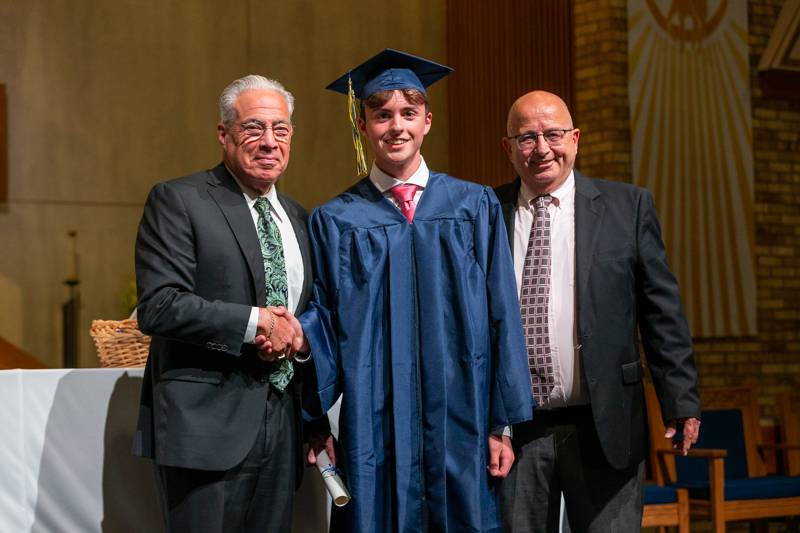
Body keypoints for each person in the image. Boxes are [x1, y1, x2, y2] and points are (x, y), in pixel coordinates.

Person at [296, 49, 534, 533]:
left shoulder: (473, 206)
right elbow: (322, 322)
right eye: (381, 115)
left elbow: (502, 314)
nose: (396, 126)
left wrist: (500, 424)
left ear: (428, 120)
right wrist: (314, 420)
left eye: (408, 113)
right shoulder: (336, 221)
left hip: (462, 421)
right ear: (362, 126)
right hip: (373, 424)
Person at [495, 90, 702, 532]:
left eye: (553, 134)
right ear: (508, 147)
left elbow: (661, 314)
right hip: (517, 432)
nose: (542, 149)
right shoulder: (486, 215)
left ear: (575, 138)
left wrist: (680, 400)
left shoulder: (627, 208)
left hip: (605, 422)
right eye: (527, 138)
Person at [132, 74, 317, 532]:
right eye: (254, 128)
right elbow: (159, 305)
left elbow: (307, 311)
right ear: (224, 134)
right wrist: (257, 323)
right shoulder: (179, 200)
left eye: (281, 129)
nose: (269, 142)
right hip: (206, 428)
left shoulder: (298, 216)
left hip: (282, 426)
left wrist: (299, 337)